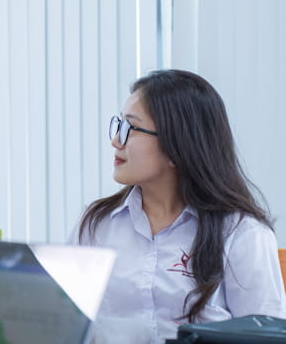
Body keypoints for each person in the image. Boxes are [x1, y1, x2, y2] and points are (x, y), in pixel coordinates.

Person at [75, 69, 286, 342]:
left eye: (131, 128)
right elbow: (64, 322)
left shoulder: (243, 234)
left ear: (177, 145)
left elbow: (265, 339)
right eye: (119, 125)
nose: (116, 140)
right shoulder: (97, 223)